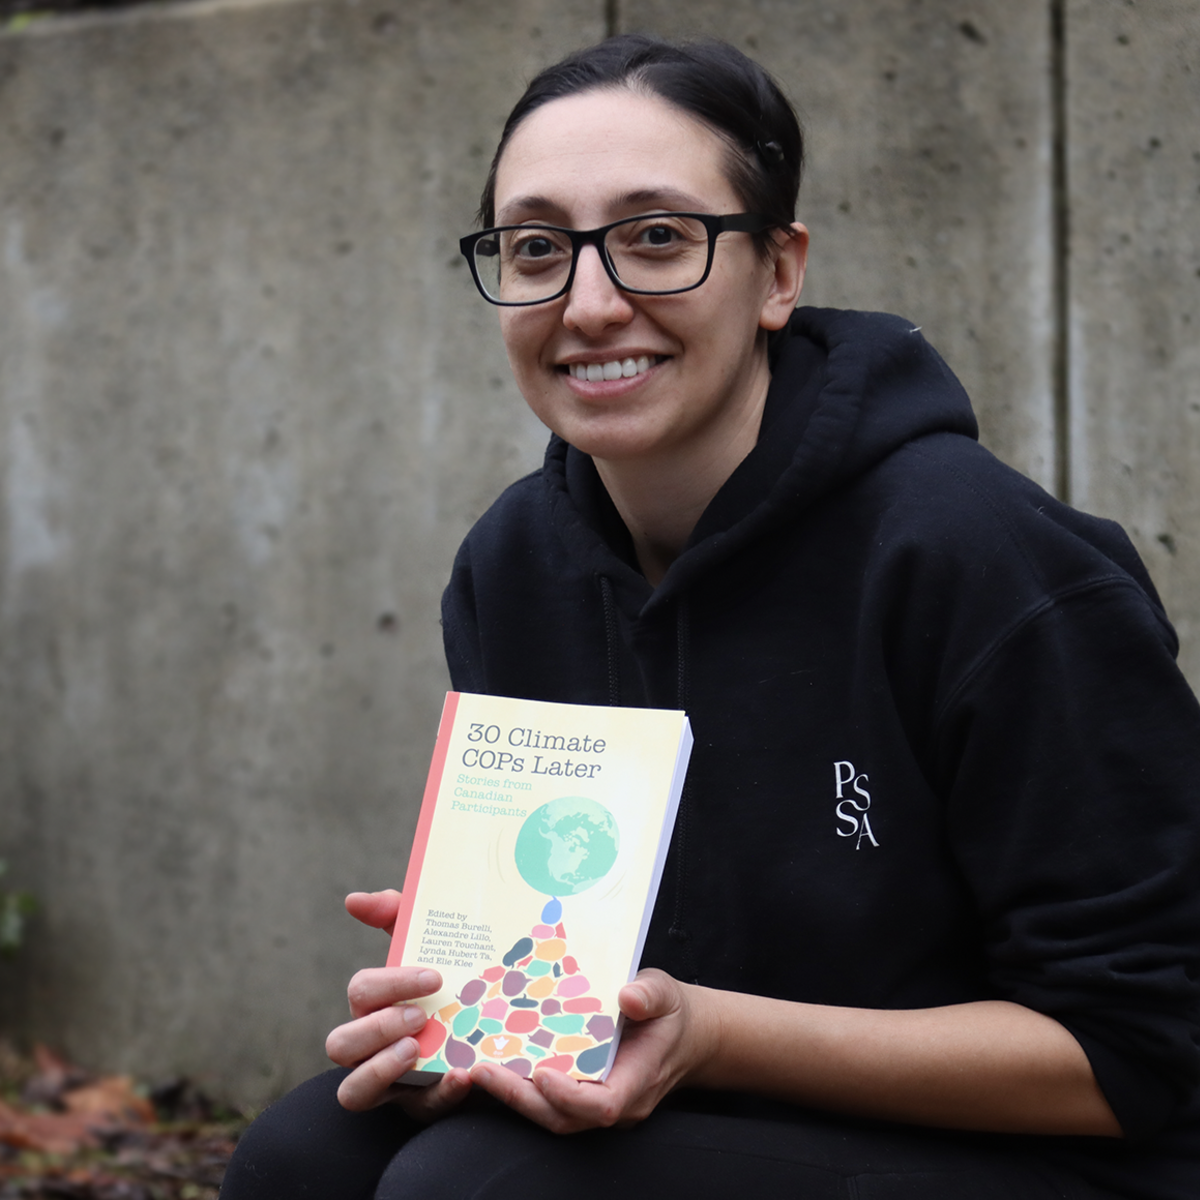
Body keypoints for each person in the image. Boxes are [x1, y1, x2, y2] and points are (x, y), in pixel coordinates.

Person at [220, 34, 1200, 1200]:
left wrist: (715, 1034)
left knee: (477, 1191)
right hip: (723, 1111)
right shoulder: (515, 562)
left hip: (1059, 1155)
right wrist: (473, 1006)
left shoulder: (979, 560)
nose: (590, 304)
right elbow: (602, 978)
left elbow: (1145, 1054)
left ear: (778, 272)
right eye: (537, 249)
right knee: (303, 1162)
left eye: (655, 239)